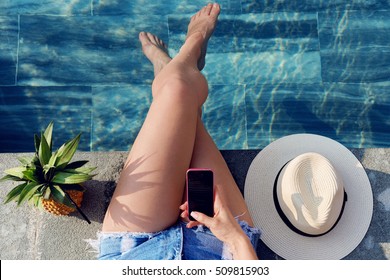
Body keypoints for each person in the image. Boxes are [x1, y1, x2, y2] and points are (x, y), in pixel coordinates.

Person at [98, 3, 260, 260]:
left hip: (133, 250)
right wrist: (235, 237)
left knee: (176, 90)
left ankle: (179, 63)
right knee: (178, 92)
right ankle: (186, 55)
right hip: (221, 250)